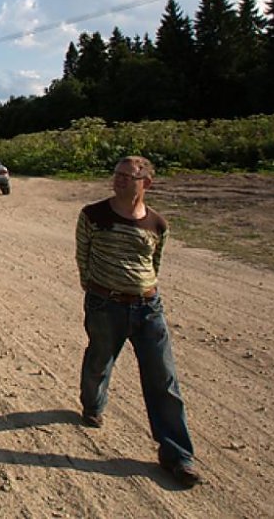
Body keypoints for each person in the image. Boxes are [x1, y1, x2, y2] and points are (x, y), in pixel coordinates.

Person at [75, 155, 201, 487]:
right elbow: (82, 254)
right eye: (116, 174)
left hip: (148, 307)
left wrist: (142, 289)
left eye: (127, 176)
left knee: (163, 378)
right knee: (100, 359)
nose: (118, 180)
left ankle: (177, 455)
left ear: (146, 182)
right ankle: (92, 404)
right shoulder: (93, 215)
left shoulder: (157, 223)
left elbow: (155, 262)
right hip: (105, 304)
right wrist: (93, 285)